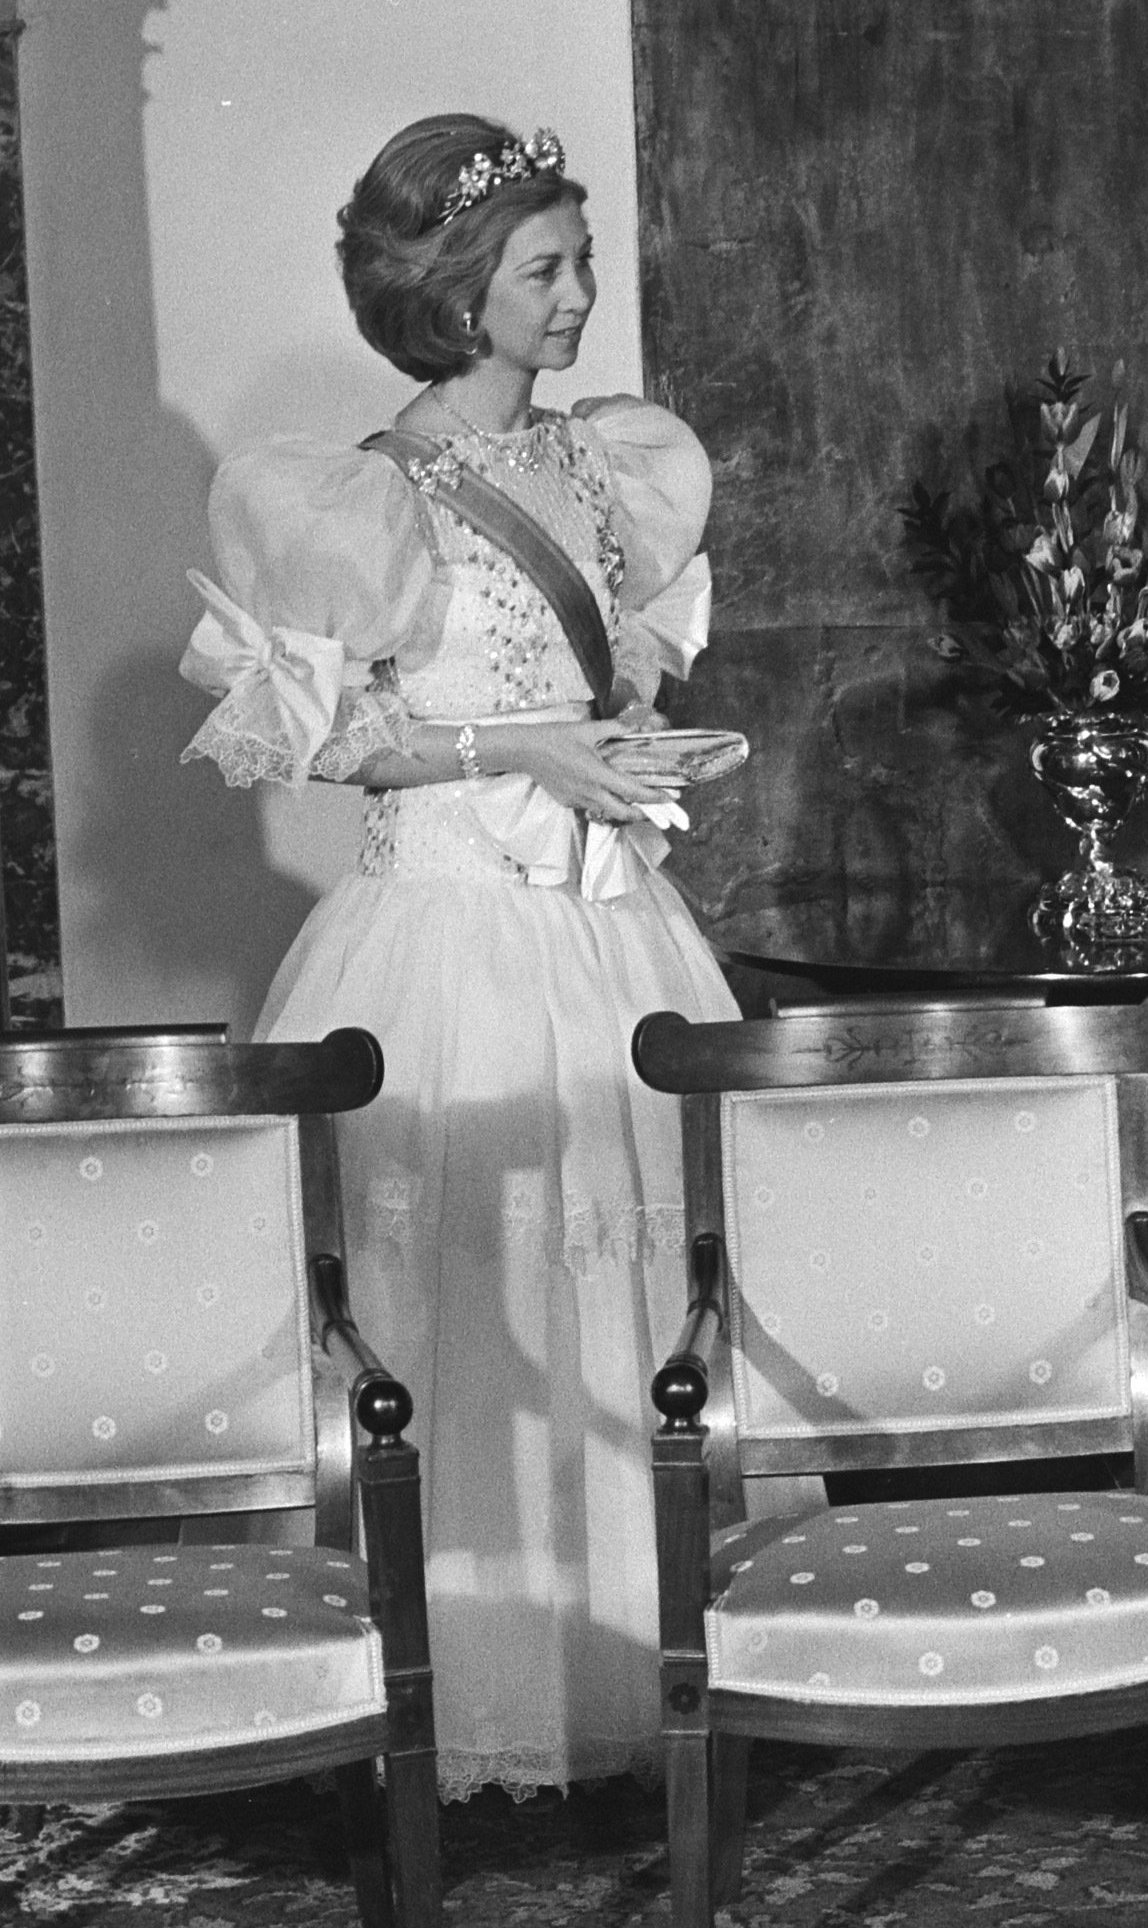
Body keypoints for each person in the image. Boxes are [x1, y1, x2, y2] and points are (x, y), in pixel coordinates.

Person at [178, 112, 739, 1803]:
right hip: (435, 934)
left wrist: (632, 736)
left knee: (631, 1280)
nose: (577, 299)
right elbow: (323, 744)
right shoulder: (351, 494)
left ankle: (651, 1677)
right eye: (544, 270)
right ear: (454, 291)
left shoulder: (606, 464)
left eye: (578, 266)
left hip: (610, 923)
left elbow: (612, 681)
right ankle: (455, 1700)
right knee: (464, 1300)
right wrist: (520, 755)